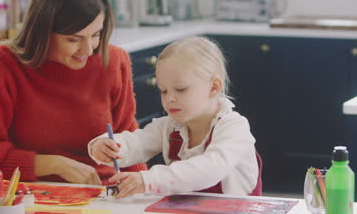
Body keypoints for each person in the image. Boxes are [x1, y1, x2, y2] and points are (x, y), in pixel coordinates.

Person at [0, 0, 147, 185]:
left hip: (101, 195)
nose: (87, 49)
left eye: (96, 35)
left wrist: (145, 189)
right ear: (43, 31)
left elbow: (128, 138)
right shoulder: (0, 66)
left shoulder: (113, 60)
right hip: (29, 197)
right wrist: (53, 164)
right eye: (73, 39)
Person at [88, 37, 262, 198]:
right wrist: (108, 146)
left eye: (180, 89)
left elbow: (209, 169)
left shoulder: (234, 128)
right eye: (163, 90)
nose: (169, 98)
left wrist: (149, 180)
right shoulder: (170, 126)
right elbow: (138, 142)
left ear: (214, 87)